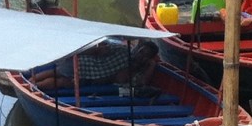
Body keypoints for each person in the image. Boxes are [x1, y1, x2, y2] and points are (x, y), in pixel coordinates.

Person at [29, 39, 159, 91]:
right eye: (140, 50)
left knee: (63, 82)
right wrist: (76, 53)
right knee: (58, 72)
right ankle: (32, 83)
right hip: (84, 64)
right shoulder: (123, 50)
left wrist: (151, 65)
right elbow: (99, 50)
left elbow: (140, 82)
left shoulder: (138, 70)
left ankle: (35, 86)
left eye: (144, 55)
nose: (140, 55)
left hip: (91, 79)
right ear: (137, 48)